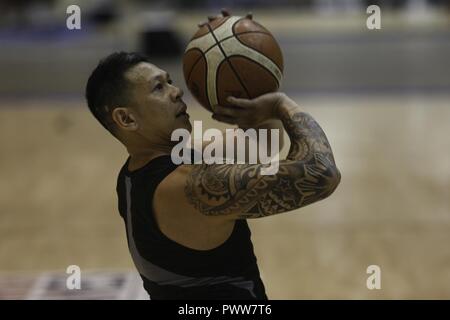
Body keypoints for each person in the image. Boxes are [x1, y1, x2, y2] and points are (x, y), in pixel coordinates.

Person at [85, 51, 340, 299]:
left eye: (169, 81)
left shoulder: (137, 171)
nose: (177, 91)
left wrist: (247, 79)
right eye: (158, 88)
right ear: (127, 118)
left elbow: (263, 143)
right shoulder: (187, 186)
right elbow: (322, 173)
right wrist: (282, 104)